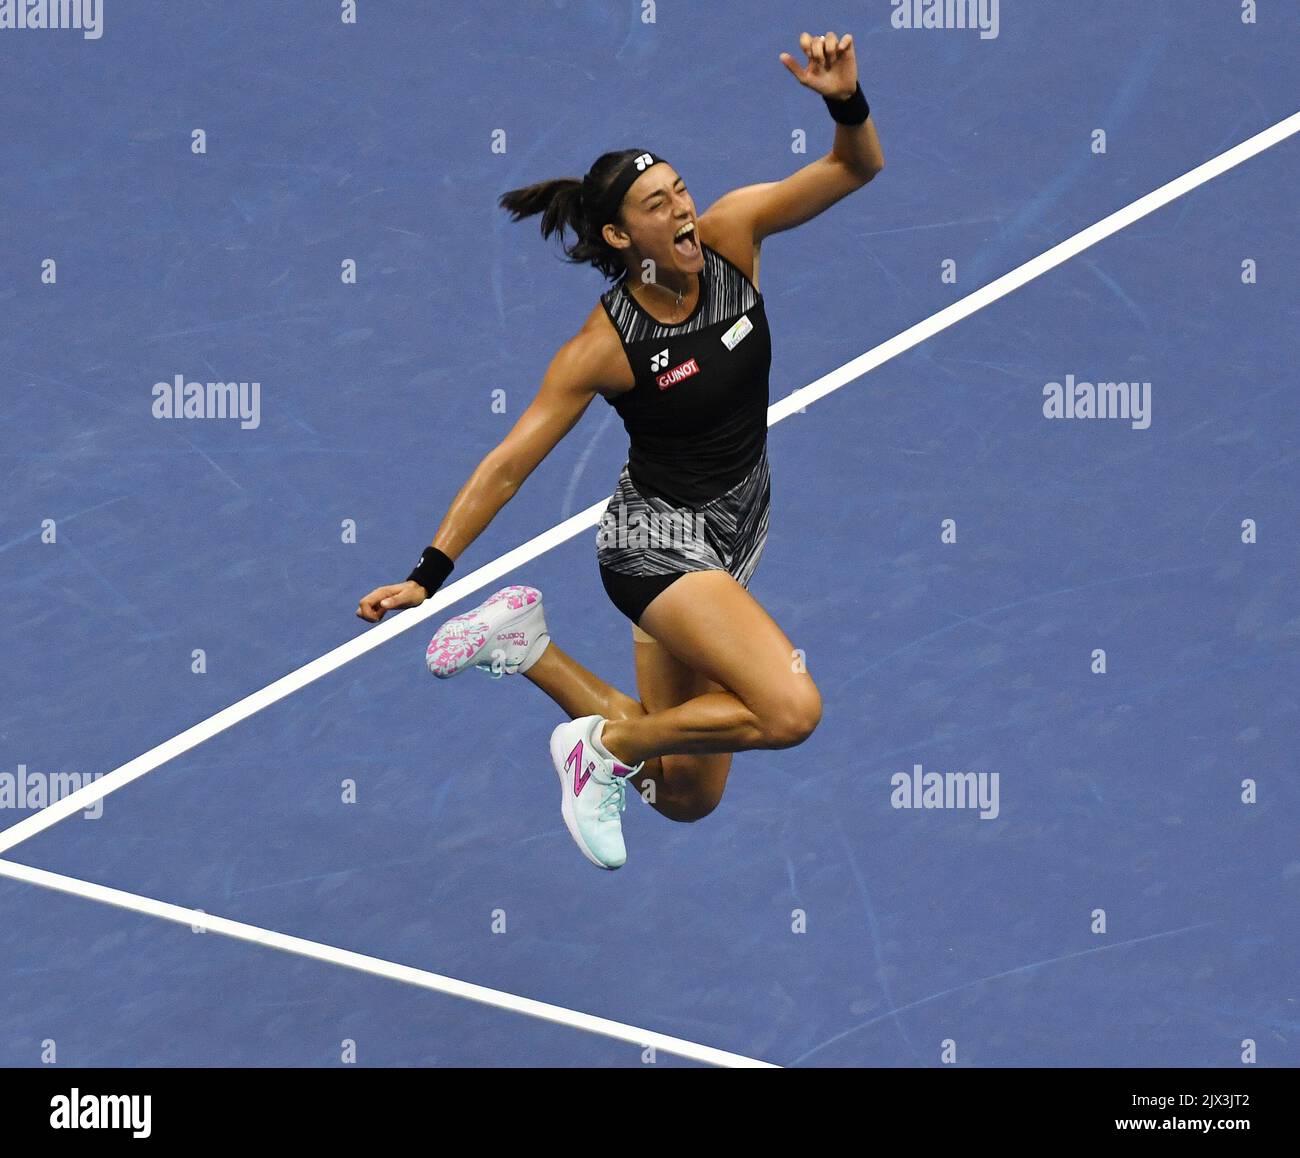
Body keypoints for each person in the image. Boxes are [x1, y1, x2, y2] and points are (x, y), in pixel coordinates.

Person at [358, 31, 884, 870]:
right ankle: (599, 747)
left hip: (734, 538)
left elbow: (854, 168)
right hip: (655, 547)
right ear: (617, 236)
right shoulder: (604, 347)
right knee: (788, 711)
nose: (681, 210)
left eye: (680, 192)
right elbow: (510, 460)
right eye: (657, 205)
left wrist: (843, 102)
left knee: (683, 795)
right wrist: (428, 572)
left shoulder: (735, 238)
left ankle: (525, 646)